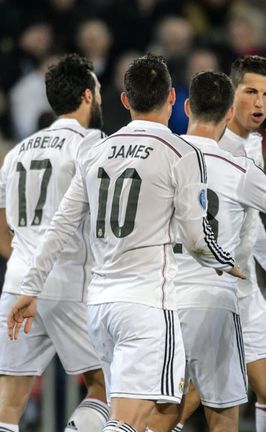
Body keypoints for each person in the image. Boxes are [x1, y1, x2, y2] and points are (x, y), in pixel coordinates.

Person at [7, 53, 241, 431]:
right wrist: (224, 260)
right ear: (170, 98)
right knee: (130, 420)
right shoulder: (182, 153)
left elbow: (60, 226)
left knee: (155, 410)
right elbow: (198, 238)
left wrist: (30, 288)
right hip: (147, 305)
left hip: (100, 307)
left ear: (125, 100)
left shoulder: (96, 152)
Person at [147, 71, 266, 431]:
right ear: (229, 112)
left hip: (159, 293)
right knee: (218, 407)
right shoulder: (239, 168)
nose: (259, 101)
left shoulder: (163, 157)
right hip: (216, 294)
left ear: (188, 106)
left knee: (165, 405)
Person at [0, 54, 109, 432]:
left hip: (17, 285)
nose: (100, 97)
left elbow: (2, 228)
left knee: (8, 401)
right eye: (98, 91)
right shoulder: (93, 144)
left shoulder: (14, 153)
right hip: (71, 283)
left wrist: (25, 260)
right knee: (110, 387)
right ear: (87, 95)